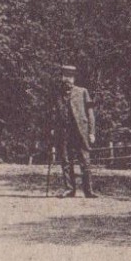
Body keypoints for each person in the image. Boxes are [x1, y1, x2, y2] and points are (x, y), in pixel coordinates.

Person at [54, 64, 97, 198]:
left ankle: (88, 190)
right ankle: (69, 189)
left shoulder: (82, 92)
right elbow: (53, 115)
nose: (68, 79)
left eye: (70, 76)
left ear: (74, 78)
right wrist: (51, 131)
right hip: (64, 132)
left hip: (80, 132)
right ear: (61, 77)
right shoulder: (57, 94)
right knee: (66, 160)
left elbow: (90, 114)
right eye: (65, 76)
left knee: (85, 160)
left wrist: (91, 132)